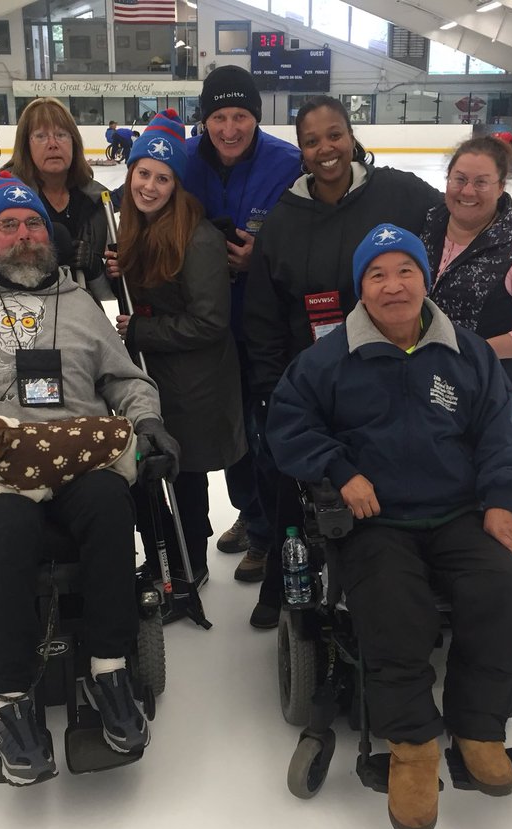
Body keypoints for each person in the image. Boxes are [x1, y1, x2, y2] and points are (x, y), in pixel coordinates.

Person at [0, 176, 179, 784]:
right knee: (8, 525)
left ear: (51, 234)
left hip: (77, 458)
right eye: (8, 225)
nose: (24, 235)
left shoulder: (82, 307)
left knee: (107, 501)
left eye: (34, 223)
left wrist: (146, 423)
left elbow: (125, 381)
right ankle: (10, 699)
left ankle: (108, 670)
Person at [267, 222, 512, 829]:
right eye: (378, 275)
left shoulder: (468, 354)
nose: (394, 286)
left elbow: (500, 437)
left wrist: (499, 502)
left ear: (424, 278)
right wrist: (340, 471)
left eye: (405, 271)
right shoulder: (329, 358)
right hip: (376, 520)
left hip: (460, 513)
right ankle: (413, 748)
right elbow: (288, 425)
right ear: (361, 287)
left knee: (501, 589)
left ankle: (479, 727)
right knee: (393, 607)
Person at [243, 94, 445, 629]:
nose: (325, 149)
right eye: (311, 141)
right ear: (301, 151)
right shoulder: (285, 218)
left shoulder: (397, 192)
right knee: (295, 478)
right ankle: (283, 587)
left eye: (335, 135)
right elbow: (263, 313)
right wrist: (271, 385)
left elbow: (454, 215)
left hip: (384, 367)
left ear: (351, 137)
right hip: (309, 378)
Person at [104, 111, 246, 585]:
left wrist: (141, 332)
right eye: (143, 173)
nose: (149, 185)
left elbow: (209, 321)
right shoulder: (138, 225)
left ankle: (191, 566)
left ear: (176, 184)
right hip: (156, 372)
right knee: (152, 466)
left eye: (162, 178)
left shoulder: (198, 238)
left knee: (185, 475)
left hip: (195, 381)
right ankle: (168, 557)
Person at [182, 64, 302, 586]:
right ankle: (253, 518)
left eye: (241, 116)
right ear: (204, 119)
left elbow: (316, 231)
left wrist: (266, 255)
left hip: (268, 326)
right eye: (219, 117)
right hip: (208, 326)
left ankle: (273, 530)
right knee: (233, 433)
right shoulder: (185, 162)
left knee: (267, 431)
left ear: (256, 116)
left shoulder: (287, 162)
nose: (230, 129)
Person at [419, 137, 512, 430]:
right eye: (459, 179)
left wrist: (476, 350)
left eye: (481, 182)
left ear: (501, 187)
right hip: (434, 387)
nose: (467, 191)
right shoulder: (429, 222)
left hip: (495, 395)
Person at [0, 97, 116, 302]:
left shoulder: (98, 201)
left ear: (74, 142)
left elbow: (113, 289)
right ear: (26, 145)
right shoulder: (5, 200)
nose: (53, 144)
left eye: (61, 135)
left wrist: (96, 266)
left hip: (84, 315)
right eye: (41, 136)